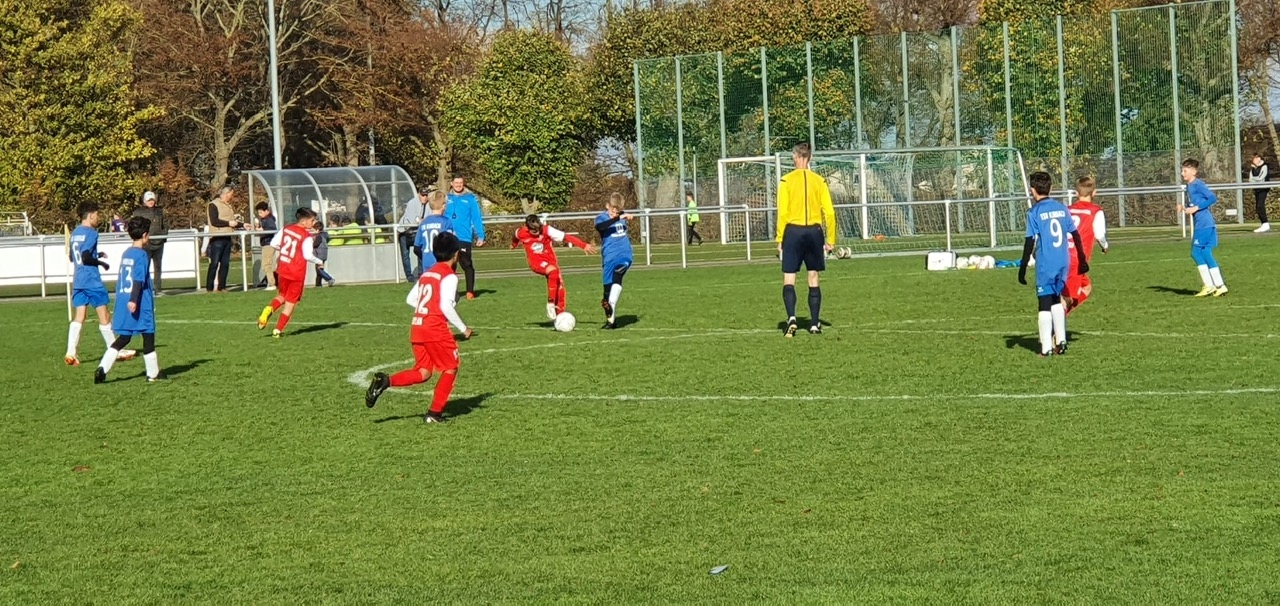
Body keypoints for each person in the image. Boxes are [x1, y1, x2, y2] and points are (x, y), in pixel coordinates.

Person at [364, 231, 473, 423]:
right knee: (450, 367)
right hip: (435, 328)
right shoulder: (449, 276)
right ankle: (434, 413)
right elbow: (445, 306)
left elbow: (410, 299)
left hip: (417, 327)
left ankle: (386, 381)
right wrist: (463, 328)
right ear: (456, 254)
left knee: (423, 372)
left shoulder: (427, 273)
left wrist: (427, 309)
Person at [1018, 171, 1089, 357]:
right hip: (1063, 262)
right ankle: (1061, 341)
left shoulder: (1034, 212)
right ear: (1051, 188)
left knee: (1044, 304)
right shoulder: (1062, 208)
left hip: (1046, 263)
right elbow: (1075, 234)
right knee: (1057, 299)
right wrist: (1082, 260)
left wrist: (1022, 267)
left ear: (1032, 190)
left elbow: (1029, 242)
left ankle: (1046, 348)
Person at [776, 142, 837, 337]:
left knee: (789, 277)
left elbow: (782, 213)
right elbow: (830, 212)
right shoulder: (819, 181)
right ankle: (814, 324)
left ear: (794, 157)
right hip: (814, 232)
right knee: (813, 276)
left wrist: (780, 238)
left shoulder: (786, 181)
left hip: (793, 231)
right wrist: (831, 239)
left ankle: (792, 318)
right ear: (810, 158)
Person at [95, 217, 164, 383]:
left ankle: (102, 367)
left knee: (124, 338)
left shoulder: (127, 253)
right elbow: (138, 279)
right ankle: (153, 374)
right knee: (148, 336)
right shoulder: (141, 255)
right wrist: (134, 300)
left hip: (122, 301)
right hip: (139, 303)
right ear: (145, 235)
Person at [65, 202, 135, 366]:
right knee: (104, 316)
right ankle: (115, 351)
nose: (98, 218)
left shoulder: (75, 233)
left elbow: (72, 257)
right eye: (97, 215)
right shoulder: (91, 233)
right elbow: (86, 257)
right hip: (92, 280)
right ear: (90, 216)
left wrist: (97, 254)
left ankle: (71, 352)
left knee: (79, 317)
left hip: (79, 280)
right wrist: (101, 263)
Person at [513, 214, 596, 320]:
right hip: (536, 263)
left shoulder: (547, 230)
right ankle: (550, 303)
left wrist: (583, 245)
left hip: (551, 261)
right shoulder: (521, 232)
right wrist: (513, 245)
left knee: (560, 288)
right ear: (527, 228)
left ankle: (560, 317)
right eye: (534, 231)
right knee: (553, 271)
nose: (537, 232)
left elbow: (566, 237)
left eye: (538, 229)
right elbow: (515, 236)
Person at [256, 208, 323, 337]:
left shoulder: (286, 228)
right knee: (290, 302)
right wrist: (319, 261)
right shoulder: (306, 236)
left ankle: (269, 309)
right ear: (303, 221)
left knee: (282, 295)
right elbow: (308, 255)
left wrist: (285, 252)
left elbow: (274, 243)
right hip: (296, 272)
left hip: (283, 269)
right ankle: (277, 330)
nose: (314, 223)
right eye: (312, 220)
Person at [1180, 158, 1228, 297]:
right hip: (1207, 223)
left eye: (1185, 171)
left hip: (1204, 224)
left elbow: (1212, 198)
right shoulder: (1189, 186)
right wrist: (1184, 207)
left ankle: (1209, 285)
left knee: (1195, 253)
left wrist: (1196, 208)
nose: (1182, 173)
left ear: (1193, 172)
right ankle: (1220, 286)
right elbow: (1195, 203)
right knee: (1206, 252)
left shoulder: (1198, 184)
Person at [1063, 176, 1110, 314]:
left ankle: (1060, 317)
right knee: (1067, 297)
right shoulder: (1095, 211)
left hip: (1060, 255)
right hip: (1076, 260)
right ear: (1094, 192)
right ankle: (1055, 323)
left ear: (1076, 193)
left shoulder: (1067, 210)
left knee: (1086, 287)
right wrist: (1105, 246)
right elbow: (1099, 235)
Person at [594, 193, 634, 329]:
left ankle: (611, 303)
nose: (614, 213)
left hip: (624, 254)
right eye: (612, 210)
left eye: (617, 211)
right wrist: (618, 217)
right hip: (609, 257)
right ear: (607, 206)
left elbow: (623, 214)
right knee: (606, 293)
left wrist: (624, 215)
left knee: (618, 273)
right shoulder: (601, 218)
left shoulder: (622, 215)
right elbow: (601, 227)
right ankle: (611, 322)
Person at [445, 175, 486, 299]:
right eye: (456, 182)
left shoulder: (470, 199)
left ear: (463, 184)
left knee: (466, 264)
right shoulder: (446, 198)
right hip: (448, 237)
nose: (458, 185)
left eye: (460, 183)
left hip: (464, 237)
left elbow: (476, 218)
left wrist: (480, 235)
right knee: (449, 266)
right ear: (451, 183)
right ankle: (451, 292)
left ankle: (470, 291)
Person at [132, 191, 168, 294]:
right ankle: (144, 288)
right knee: (144, 266)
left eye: (152, 200)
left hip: (159, 244)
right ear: (144, 201)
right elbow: (135, 226)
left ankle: (158, 288)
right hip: (145, 244)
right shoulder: (138, 212)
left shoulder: (160, 211)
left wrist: (163, 236)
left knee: (158, 267)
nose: (151, 202)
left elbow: (166, 225)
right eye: (149, 200)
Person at [205, 186, 240, 293]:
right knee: (214, 263)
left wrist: (243, 225)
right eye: (231, 194)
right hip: (217, 237)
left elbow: (232, 221)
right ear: (226, 193)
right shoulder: (213, 205)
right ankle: (209, 288)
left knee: (225, 264)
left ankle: (222, 287)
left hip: (227, 236)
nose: (232, 197)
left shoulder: (228, 206)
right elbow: (214, 221)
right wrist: (228, 223)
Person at [414, 191, 453, 275]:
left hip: (427, 263)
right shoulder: (446, 222)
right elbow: (449, 244)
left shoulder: (424, 222)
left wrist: (425, 257)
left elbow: (416, 248)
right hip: (441, 263)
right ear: (444, 205)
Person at [398, 187, 430, 280]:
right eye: (423, 195)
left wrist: (422, 221)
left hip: (418, 231)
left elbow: (428, 217)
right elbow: (413, 219)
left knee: (420, 251)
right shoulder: (412, 203)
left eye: (426, 195)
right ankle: (409, 276)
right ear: (419, 194)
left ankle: (421, 274)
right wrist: (420, 220)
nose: (424, 197)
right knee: (405, 255)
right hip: (405, 231)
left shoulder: (429, 204)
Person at [254, 202, 279, 290]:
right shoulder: (265, 219)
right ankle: (270, 282)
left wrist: (262, 230)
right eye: (258, 212)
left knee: (267, 264)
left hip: (268, 244)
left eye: (261, 212)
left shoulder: (269, 219)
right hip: (266, 243)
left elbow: (272, 229)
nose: (259, 214)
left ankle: (272, 284)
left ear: (267, 211)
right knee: (266, 264)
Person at [1250, 154, 1271, 233]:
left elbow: (1261, 178)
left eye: (1255, 158)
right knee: (1258, 207)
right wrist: (1254, 180)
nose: (1253, 160)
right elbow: (1250, 179)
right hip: (1257, 189)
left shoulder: (1264, 166)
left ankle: (1265, 223)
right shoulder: (1252, 168)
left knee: (1260, 205)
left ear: (1259, 158)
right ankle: (1264, 223)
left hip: (1263, 188)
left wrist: (1255, 180)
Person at [312, 221, 336, 287]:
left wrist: (311, 241)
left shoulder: (319, 237)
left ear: (317, 229)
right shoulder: (325, 235)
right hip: (323, 254)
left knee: (319, 270)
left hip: (319, 255)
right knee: (319, 270)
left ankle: (329, 279)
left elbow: (314, 245)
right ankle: (318, 284)